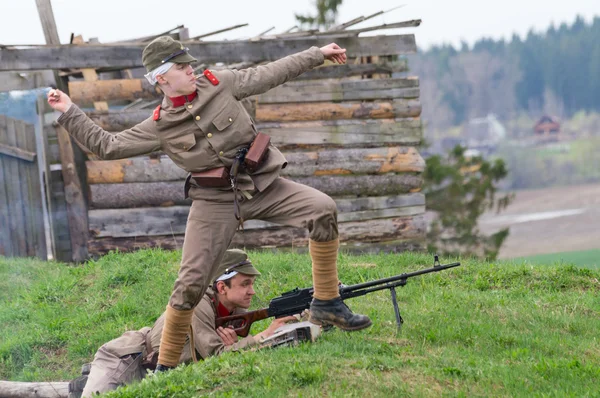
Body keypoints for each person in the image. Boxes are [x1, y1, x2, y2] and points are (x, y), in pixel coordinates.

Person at [48, 35, 372, 373]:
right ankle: (166, 369)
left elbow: (271, 73)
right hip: (213, 201)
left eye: (189, 63)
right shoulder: (159, 125)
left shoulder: (221, 83)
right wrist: (69, 111)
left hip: (260, 184)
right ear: (162, 78)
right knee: (189, 286)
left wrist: (316, 54)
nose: (191, 69)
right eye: (181, 66)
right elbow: (107, 146)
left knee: (322, 208)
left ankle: (327, 304)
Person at [78, 249, 300, 397]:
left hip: (158, 371)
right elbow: (219, 355)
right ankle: (82, 384)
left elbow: (223, 355)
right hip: (128, 359)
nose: (252, 290)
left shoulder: (234, 308)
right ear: (222, 288)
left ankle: (80, 384)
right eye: (245, 284)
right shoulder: (197, 304)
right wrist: (264, 335)